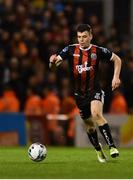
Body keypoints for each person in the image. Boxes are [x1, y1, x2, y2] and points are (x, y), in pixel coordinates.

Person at [49, 24, 121, 163]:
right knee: (89, 125)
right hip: (79, 95)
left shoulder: (97, 51)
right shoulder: (70, 50)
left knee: (96, 114)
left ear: (91, 36)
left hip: (95, 90)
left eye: (84, 36)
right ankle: (98, 150)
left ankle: (112, 147)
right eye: (79, 37)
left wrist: (116, 77)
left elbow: (117, 59)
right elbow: (53, 66)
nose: (81, 40)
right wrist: (52, 62)